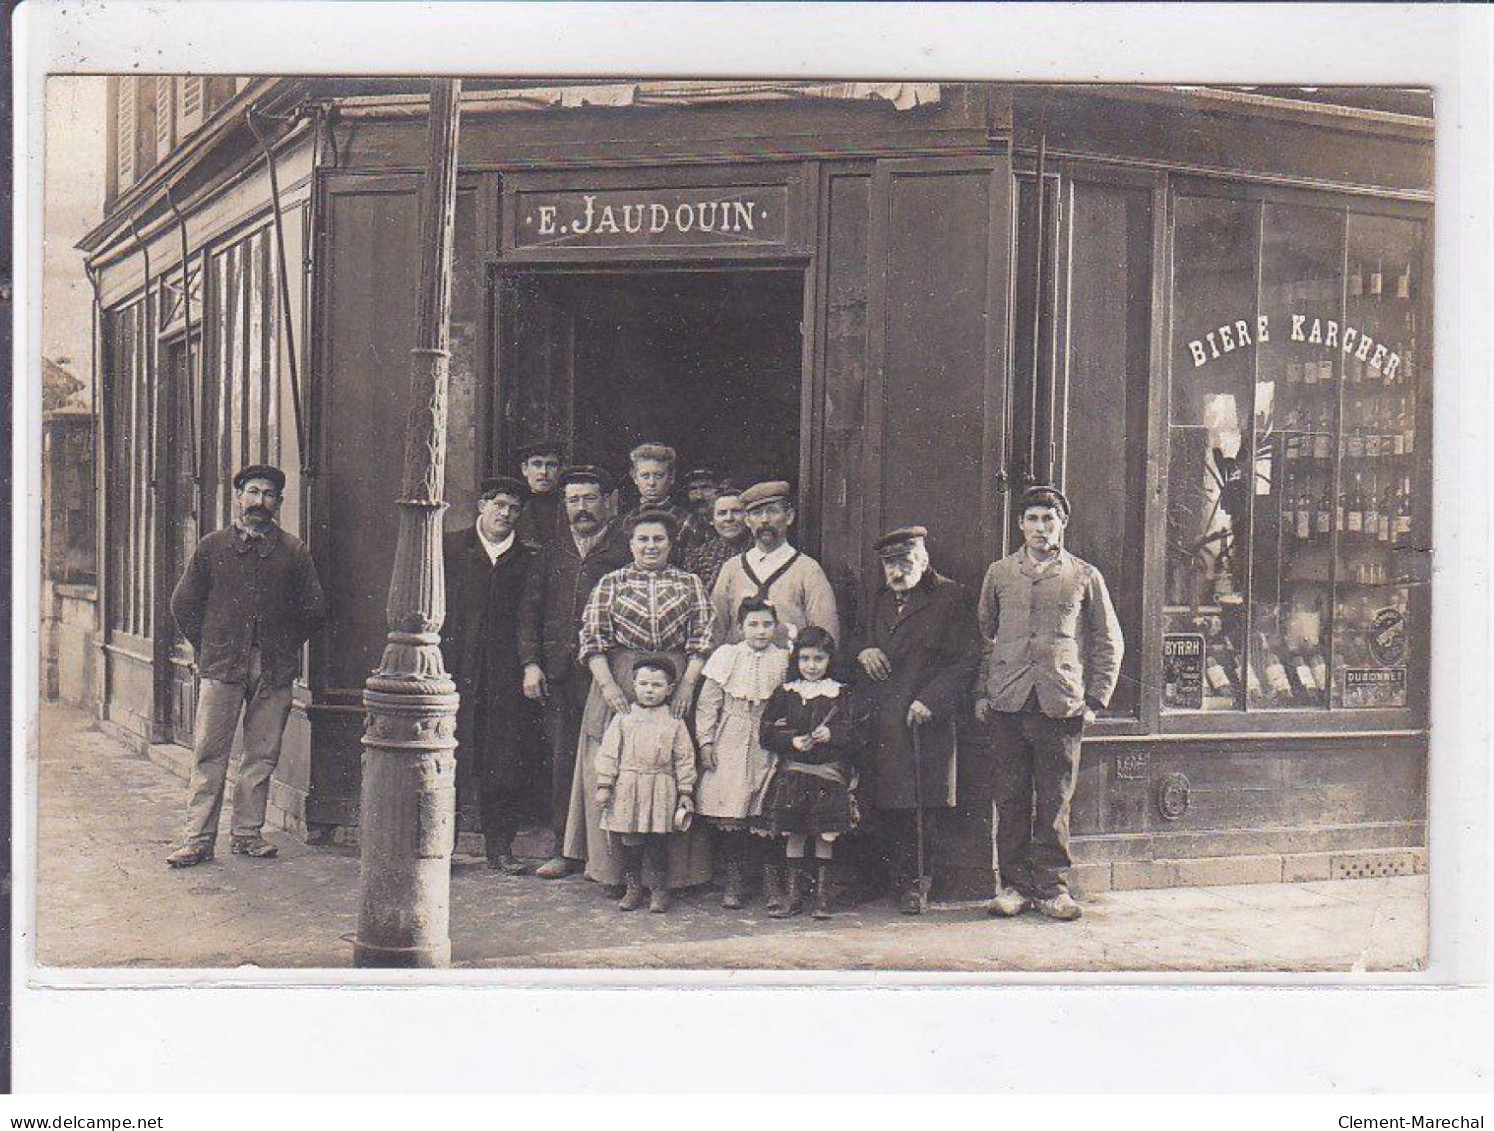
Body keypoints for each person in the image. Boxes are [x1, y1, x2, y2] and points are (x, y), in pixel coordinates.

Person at [165, 464, 327, 867]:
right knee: (209, 752)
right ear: (238, 497)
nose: (260, 501)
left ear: (279, 502)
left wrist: (285, 647)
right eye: (252, 492)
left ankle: (247, 834)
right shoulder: (212, 547)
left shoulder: (294, 551)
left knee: (261, 754)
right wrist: (208, 648)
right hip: (222, 666)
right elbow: (183, 604)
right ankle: (198, 839)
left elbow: (314, 609)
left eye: (269, 494)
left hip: (273, 669)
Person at [975, 485, 1123, 922]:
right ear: (1020, 525)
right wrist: (983, 691)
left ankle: (1053, 888)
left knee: (1055, 799)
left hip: (1060, 702)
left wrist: (1095, 697)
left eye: (1049, 519)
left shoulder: (1083, 575)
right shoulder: (1000, 574)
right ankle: (1014, 887)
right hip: (1008, 701)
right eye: (1033, 519)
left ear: (1063, 524)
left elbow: (1108, 639)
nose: (1041, 527)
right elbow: (984, 637)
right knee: (1011, 796)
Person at [564, 508, 715, 895]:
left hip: (676, 676)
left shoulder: (689, 584)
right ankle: (616, 873)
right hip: (619, 673)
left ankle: (674, 877)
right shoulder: (610, 583)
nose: (650, 546)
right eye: (643, 540)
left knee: (673, 761)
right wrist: (610, 687)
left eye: (658, 539)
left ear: (670, 543)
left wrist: (685, 687)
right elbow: (593, 641)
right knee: (613, 760)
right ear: (630, 544)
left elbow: (701, 641)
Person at [854, 526, 981, 914]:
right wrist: (865, 650)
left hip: (923, 718)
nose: (896, 571)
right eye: (889, 564)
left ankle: (916, 884)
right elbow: (857, 639)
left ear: (923, 560)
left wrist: (932, 700)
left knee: (919, 805)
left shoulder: (951, 597)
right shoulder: (878, 599)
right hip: (880, 717)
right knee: (880, 800)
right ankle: (883, 881)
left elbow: (967, 659)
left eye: (904, 561)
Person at [517, 464, 633, 880]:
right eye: (572, 501)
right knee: (563, 761)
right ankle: (565, 851)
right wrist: (531, 663)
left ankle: (610, 858)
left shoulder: (624, 548)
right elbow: (529, 610)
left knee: (610, 759)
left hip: (607, 673)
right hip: (558, 673)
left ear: (608, 502)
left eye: (588, 499)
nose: (580, 509)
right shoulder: (553, 550)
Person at [441, 476, 539, 873]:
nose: (506, 514)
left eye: (515, 508)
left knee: (504, 759)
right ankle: (440, 846)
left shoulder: (527, 559)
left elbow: (530, 617)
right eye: (499, 504)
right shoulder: (450, 548)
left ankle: (500, 847)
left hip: (504, 674)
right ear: (482, 505)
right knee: (448, 757)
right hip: (455, 669)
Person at [694, 596, 791, 909]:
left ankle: (771, 882)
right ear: (740, 627)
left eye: (766, 624)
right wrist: (706, 742)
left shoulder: (784, 659)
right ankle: (734, 881)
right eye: (753, 624)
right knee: (734, 810)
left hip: (768, 736)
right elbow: (709, 703)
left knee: (766, 810)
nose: (760, 631)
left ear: (775, 626)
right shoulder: (727, 656)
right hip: (732, 736)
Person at [759, 627, 861, 920]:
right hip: (793, 775)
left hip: (827, 776)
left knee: (824, 835)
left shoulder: (840, 693)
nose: (811, 666)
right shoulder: (786, 693)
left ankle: (821, 898)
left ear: (830, 659)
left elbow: (857, 733)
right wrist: (790, 740)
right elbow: (767, 731)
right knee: (795, 833)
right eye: (804, 658)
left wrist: (832, 733)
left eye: (819, 658)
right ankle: (793, 897)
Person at [596, 656, 698, 913]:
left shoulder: (674, 720)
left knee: (657, 843)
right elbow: (609, 752)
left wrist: (686, 791)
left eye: (657, 685)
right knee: (631, 841)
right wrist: (605, 784)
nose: (650, 690)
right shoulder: (624, 717)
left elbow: (684, 758)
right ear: (633, 685)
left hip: (660, 786)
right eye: (643, 684)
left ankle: (658, 890)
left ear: (670, 689)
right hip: (629, 786)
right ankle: (633, 889)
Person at [710, 480, 840, 649]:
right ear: (748, 521)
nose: (764, 520)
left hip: (790, 670)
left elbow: (825, 633)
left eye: (772, 511)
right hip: (740, 671)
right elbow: (715, 629)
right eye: (756, 513)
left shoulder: (807, 569)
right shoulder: (732, 568)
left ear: (789, 516)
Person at [619, 442, 707, 562]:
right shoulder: (625, 521)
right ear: (635, 477)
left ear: (671, 477)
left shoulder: (686, 521)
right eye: (645, 476)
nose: (651, 483)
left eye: (658, 476)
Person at [683, 488, 751, 593]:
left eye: (736, 512)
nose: (729, 518)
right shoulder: (698, 557)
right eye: (722, 513)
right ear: (711, 520)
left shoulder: (760, 550)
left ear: (747, 516)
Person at [514, 439, 567, 546]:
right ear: (525, 469)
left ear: (561, 470)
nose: (543, 472)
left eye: (551, 465)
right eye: (537, 464)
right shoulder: (515, 505)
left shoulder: (570, 504)